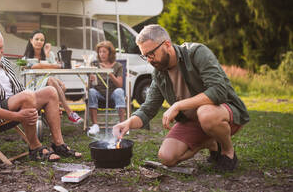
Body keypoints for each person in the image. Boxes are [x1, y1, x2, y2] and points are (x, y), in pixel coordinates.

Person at [113, 24, 249, 172]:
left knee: (205, 113)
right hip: (192, 121)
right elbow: (147, 110)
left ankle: (227, 152)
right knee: (167, 157)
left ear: (167, 44)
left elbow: (218, 90)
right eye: (145, 56)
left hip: (222, 114)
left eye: (151, 53)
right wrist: (127, 123)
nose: (149, 60)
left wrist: (178, 105)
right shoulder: (158, 73)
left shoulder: (196, 52)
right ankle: (211, 142)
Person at [0, 27, 82, 162]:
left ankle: (59, 144)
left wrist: (46, 108)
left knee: (51, 91)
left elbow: (18, 90)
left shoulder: (3, 62)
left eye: (1, 48)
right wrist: (16, 116)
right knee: (27, 96)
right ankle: (35, 147)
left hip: (16, 107)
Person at [23, 30, 83, 124]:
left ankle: (55, 111)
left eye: (42, 40)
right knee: (53, 81)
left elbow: (55, 69)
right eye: (37, 39)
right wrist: (47, 64)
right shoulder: (26, 58)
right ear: (31, 40)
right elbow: (38, 67)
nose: (39, 42)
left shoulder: (50, 54)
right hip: (34, 86)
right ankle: (69, 112)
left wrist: (46, 56)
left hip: (49, 83)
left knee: (57, 84)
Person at [88, 41, 126, 135]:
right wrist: (90, 80)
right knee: (91, 91)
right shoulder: (94, 65)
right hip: (99, 94)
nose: (102, 54)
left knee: (119, 91)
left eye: (104, 51)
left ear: (110, 53)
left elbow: (120, 84)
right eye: (100, 52)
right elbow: (90, 85)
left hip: (113, 94)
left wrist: (110, 73)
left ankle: (122, 124)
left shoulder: (118, 66)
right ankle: (95, 125)